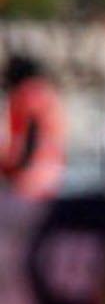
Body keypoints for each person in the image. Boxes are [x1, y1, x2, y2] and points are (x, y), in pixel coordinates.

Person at [0, 52, 65, 199]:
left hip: (30, 178)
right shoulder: (46, 91)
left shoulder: (29, 92)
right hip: (50, 176)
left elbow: (32, 133)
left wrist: (19, 166)